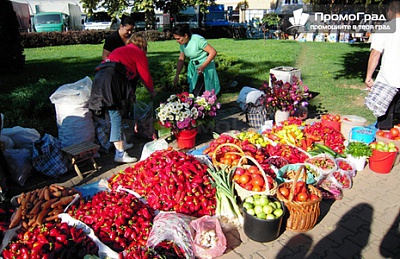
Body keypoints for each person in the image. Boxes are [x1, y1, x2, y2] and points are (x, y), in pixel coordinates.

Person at [89, 33, 157, 163]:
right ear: (143, 45)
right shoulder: (138, 52)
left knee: (114, 114)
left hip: (100, 77)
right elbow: (145, 75)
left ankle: (122, 143)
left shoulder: (121, 50)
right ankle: (120, 154)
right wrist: (151, 91)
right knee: (115, 115)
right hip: (111, 78)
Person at [365, 0, 400, 130]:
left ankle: (385, 144)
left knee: (386, 120)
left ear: (390, 11)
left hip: (388, 81)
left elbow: (375, 54)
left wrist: (369, 76)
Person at [172, 24, 221, 96]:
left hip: (205, 68)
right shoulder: (183, 44)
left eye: (178, 38)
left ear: (185, 35)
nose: (177, 41)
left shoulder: (197, 40)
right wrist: (177, 75)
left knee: (200, 94)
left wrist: (203, 66)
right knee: (194, 94)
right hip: (196, 69)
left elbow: (213, 52)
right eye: (176, 39)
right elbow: (181, 59)